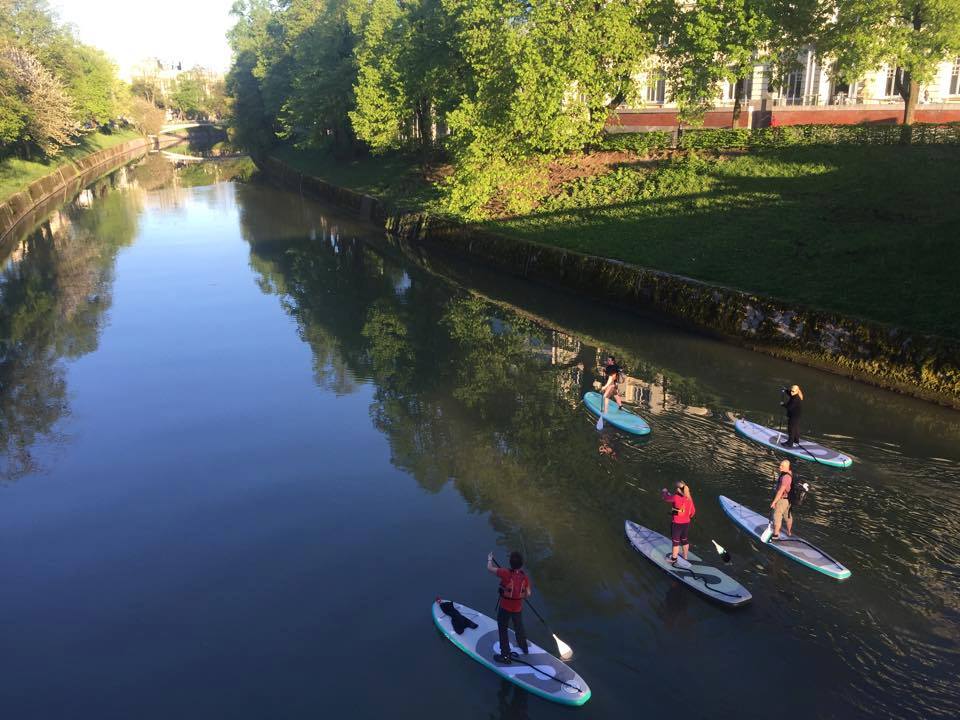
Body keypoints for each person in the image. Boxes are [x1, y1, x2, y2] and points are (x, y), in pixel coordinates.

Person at [487, 550, 531, 664]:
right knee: (519, 627)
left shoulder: (504, 572)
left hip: (504, 608)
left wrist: (490, 559)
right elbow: (528, 594)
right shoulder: (524, 577)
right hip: (517, 609)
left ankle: (505, 655)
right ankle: (524, 647)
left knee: (503, 630)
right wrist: (520, 594)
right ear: (521, 564)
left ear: (510, 562)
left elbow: (490, 568)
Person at [660, 481, 696, 564]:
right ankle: (685, 556)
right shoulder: (689, 498)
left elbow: (666, 498)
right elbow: (693, 512)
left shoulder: (675, 497)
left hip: (677, 524)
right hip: (686, 523)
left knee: (675, 542)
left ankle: (673, 559)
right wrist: (684, 515)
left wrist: (664, 491)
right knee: (684, 539)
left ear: (678, 489)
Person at [769, 459, 794, 539]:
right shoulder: (790, 474)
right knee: (788, 516)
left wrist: (774, 502)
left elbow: (780, 491)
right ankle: (789, 532)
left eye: (782, 466)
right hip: (789, 499)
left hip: (782, 500)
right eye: (780, 465)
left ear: (787, 467)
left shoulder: (786, 477)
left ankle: (776, 535)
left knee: (777, 516)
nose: (780, 467)